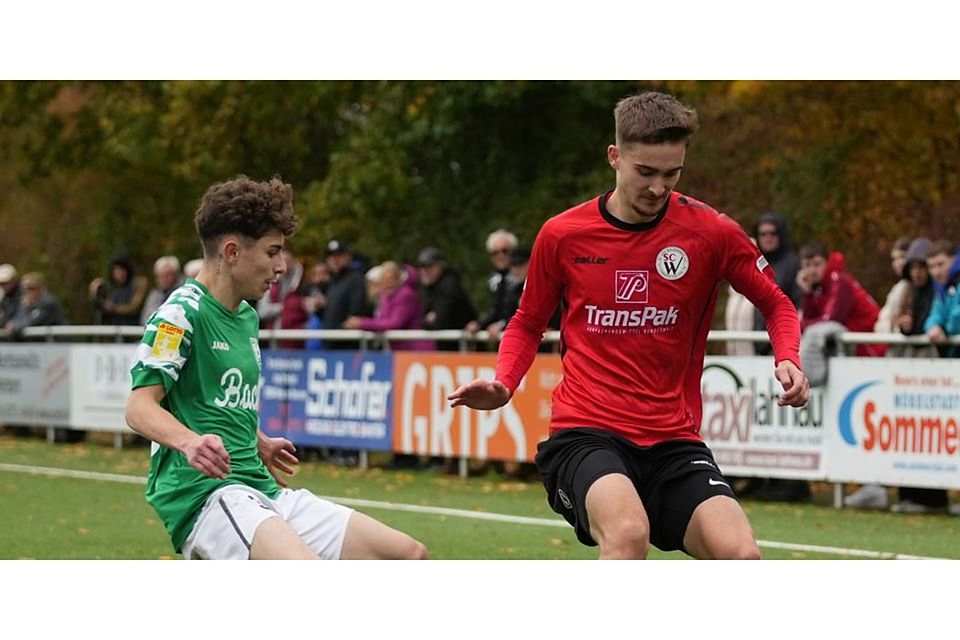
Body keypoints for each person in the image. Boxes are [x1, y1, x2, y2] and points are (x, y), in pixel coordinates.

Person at [448, 91, 809, 559]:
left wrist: (788, 359)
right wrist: (504, 383)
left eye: (672, 173)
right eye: (646, 172)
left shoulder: (711, 232)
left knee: (741, 554)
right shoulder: (562, 234)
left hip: (673, 440)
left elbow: (777, 304)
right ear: (615, 157)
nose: (658, 188)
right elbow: (527, 322)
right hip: (587, 432)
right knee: (627, 532)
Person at [124, 175, 427, 560]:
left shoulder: (247, 317)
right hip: (209, 495)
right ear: (232, 252)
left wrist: (255, 438)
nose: (282, 266)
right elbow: (139, 406)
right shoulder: (178, 315)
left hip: (263, 490)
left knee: (407, 556)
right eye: (272, 252)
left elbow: (213, 401)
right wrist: (189, 442)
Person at [845, 237, 941, 511]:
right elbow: (883, 325)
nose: (918, 272)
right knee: (913, 436)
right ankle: (910, 495)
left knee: (928, 436)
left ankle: (930, 498)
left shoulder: (939, 291)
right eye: (914, 267)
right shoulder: (905, 290)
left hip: (932, 375)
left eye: (923, 266)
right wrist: (903, 328)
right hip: (906, 373)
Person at [797, 242, 886, 357]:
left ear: (827, 262)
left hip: (870, 344)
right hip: (854, 346)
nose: (812, 270)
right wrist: (807, 293)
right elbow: (811, 318)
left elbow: (830, 319)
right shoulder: (819, 287)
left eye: (817, 264)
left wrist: (797, 325)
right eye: (807, 265)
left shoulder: (839, 281)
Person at [344, 262, 434, 351]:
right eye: (384, 280)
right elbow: (381, 321)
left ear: (398, 279)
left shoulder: (406, 295)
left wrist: (362, 323)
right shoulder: (386, 296)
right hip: (399, 350)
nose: (387, 283)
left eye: (391, 279)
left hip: (416, 350)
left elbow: (394, 323)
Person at [751, 212, 802, 356]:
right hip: (753, 341)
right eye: (763, 234)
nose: (768, 237)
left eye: (772, 233)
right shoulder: (754, 262)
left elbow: (798, 303)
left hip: (780, 344)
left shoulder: (792, 264)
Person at [418, 246, 477, 351]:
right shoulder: (431, 287)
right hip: (449, 347)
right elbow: (423, 320)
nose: (425, 271)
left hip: (461, 347)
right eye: (422, 267)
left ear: (441, 266)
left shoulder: (449, 285)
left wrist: (432, 319)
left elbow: (440, 321)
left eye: (429, 266)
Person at [465, 229, 519, 341]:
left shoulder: (522, 277)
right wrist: (479, 324)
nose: (500, 256)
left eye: (505, 251)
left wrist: (502, 325)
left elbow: (521, 310)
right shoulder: (492, 280)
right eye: (495, 253)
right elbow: (493, 310)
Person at [89, 253, 149, 325]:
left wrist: (114, 308)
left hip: (131, 325)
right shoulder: (110, 287)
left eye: (121, 269)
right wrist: (94, 292)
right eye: (116, 270)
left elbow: (133, 307)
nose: (119, 273)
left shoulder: (138, 284)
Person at [924, 239, 960, 358]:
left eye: (940, 264)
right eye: (931, 266)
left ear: (954, 259)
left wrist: (944, 329)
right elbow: (935, 313)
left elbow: (957, 318)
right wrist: (933, 326)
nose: (936, 272)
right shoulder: (942, 288)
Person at [4, 272, 65, 336]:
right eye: (24, 288)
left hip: (56, 343)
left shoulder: (48, 303)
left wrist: (14, 326)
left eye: (32, 288)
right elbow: (17, 317)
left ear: (41, 288)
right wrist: (13, 323)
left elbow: (33, 322)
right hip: (38, 343)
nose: (28, 291)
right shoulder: (24, 302)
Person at [140, 256, 185, 325]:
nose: (164, 279)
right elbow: (146, 317)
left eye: (167, 275)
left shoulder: (184, 292)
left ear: (176, 274)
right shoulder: (154, 294)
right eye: (160, 275)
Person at [0, 264, 22, 328]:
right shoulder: (4, 297)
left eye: (6, 282)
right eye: (1, 283)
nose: (3, 286)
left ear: (14, 279)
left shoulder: (24, 294)